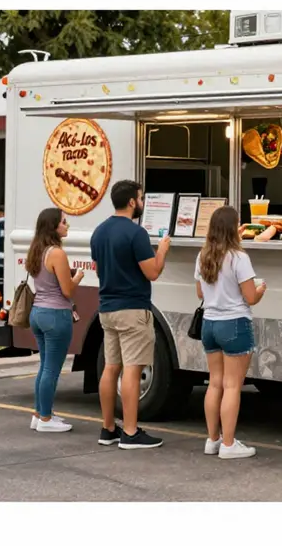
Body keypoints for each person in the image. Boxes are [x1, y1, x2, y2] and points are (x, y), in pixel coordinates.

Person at [90, 180, 171, 450]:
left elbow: (98, 270)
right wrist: (162, 251)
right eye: (141, 198)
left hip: (107, 308)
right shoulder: (136, 234)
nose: (143, 202)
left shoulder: (99, 232)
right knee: (133, 371)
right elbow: (152, 273)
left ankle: (108, 428)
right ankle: (131, 432)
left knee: (111, 368)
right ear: (131, 202)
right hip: (133, 308)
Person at [195, 206, 267, 459]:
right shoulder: (239, 258)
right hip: (235, 323)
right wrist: (260, 290)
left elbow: (200, 293)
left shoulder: (203, 255)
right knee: (233, 386)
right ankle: (228, 444)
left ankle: (212, 439)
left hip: (209, 324)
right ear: (233, 228)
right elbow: (250, 297)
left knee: (215, 383)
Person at [26, 208, 85, 433]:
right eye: (63, 222)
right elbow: (67, 290)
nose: (67, 225)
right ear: (53, 227)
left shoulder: (37, 250)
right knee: (52, 369)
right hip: (55, 315)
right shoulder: (57, 254)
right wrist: (77, 277)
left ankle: (40, 413)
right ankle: (46, 420)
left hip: (38, 313)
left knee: (44, 367)